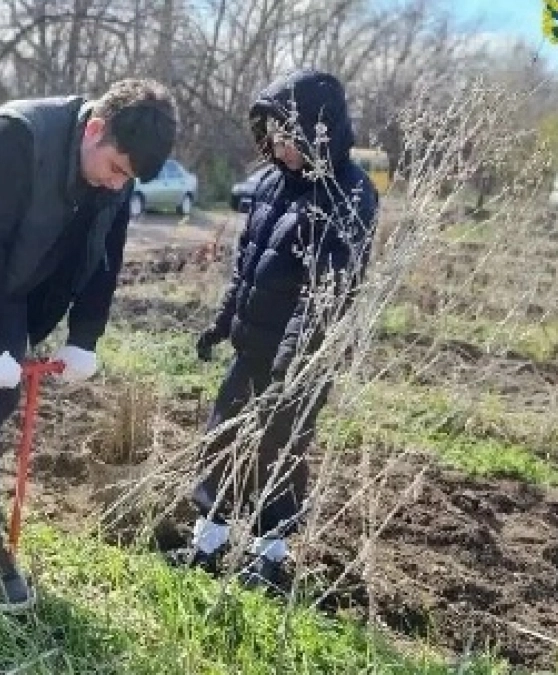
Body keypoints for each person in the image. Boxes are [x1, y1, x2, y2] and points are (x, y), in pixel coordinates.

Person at [0, 79, 177, 613]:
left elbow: (106, 254)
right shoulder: (16, 135)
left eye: (127, 179)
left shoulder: (112, 178)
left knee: (3, 399)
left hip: (6, 282)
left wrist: (85, 336)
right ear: (95, 129)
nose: (117, 185)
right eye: (115, 168)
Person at [168, 69, 379, 591]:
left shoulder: (350, 193)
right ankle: (208, 541)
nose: (279, 147)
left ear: (319, 131)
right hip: (251, 348)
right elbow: (247, 266)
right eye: (273, 136)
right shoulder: (268, 184)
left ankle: (269, 556)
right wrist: (223, 322)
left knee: (279, 452)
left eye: (290, 137)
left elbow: (328, 289)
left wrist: (293, 362)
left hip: (300, 361)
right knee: (222, 438)